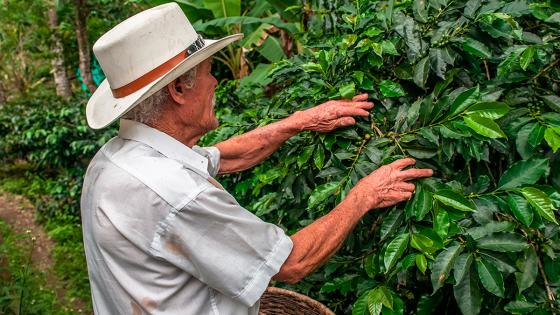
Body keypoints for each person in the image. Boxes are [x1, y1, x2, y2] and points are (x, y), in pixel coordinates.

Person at [80, 3, 433, 315]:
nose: (216, 82)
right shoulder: (175, 193)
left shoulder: (115, 159)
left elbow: (222, 156)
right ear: (178, 90)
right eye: (208, 74)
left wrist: (298, 122)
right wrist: (365, 195)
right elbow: (291, 263)